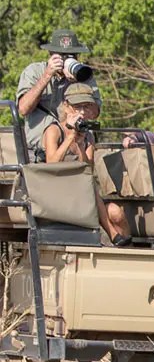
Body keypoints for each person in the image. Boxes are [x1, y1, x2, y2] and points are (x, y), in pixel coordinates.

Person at [40, 83, 129, 246]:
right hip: (54, 187)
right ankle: (111, 232)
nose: (82, 112)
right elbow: (51, 164)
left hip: (79, 188)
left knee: (91, 186)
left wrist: (80, 143)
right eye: (77, 107)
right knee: (89, 187)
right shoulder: (54, 130)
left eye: (86, 107)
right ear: (66, 107)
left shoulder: (87, 136)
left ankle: (118, 239)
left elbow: (87, 169)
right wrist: (69, 138)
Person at [16, 29, 101, 160]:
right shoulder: (34, 71)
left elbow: (94, 114)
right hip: (38, 152)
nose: (68, 59)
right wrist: (47, 76)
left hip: (75, 147)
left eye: (72, 55)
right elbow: (23, 109)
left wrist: (79, 85)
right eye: (63, 55)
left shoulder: (83, 73)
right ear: (51, 54)